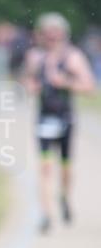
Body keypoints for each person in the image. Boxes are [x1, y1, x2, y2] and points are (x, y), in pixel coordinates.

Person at [22, 12, 95, 233]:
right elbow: (27, 81)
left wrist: (66, 82)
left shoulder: (73, 57)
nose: (52, 37)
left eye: (56, 33)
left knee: (65, 166)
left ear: (64, 34)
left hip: (65, 119)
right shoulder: (35, 57)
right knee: (44, 167)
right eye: (48, 33)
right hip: (44, 118)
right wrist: (30, 87)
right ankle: (45, 213)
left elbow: (89, 86)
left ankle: (63, 196)